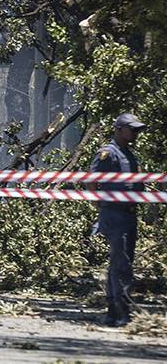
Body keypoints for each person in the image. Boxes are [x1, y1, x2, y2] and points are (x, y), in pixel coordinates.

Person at [87, 113, 146, 327]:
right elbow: (92, 181)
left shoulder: (129, 154)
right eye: (133, 129)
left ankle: (114, 311)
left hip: (129, 214)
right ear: (119, 129)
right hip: (114, 213)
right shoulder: (108, 154)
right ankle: (120, 311)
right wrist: (101, 205)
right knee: (121, 262)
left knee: (122, 261)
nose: (136, 134)